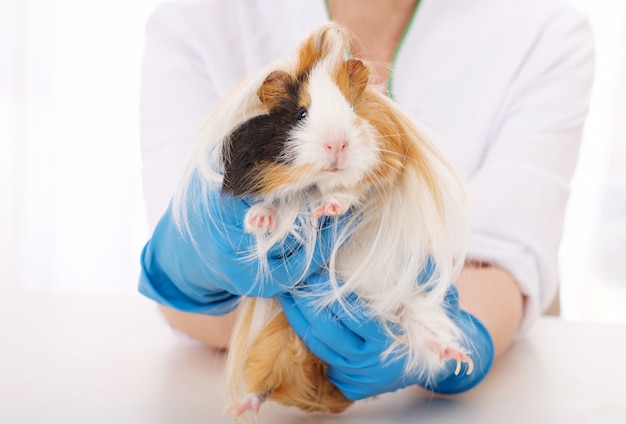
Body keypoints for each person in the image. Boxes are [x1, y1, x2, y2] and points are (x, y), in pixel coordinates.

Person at [138, 0, 594, 399]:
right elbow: (184, 280)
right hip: (210, 383)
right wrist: (196, 263)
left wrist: (433, 335)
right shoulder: (193, 21)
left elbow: (506, 250)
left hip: (442, 392)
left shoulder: (545, 31)